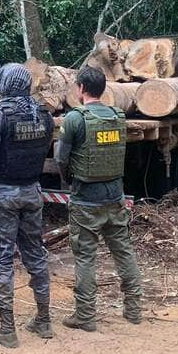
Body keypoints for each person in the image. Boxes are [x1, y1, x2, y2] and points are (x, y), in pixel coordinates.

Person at [0, 63, 55, 348]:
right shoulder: (44, 113)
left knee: (2, 259)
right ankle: (43, 321)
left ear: (6, 84)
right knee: (35, 255)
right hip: (32, 192)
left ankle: (7, 328)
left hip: (3, 195)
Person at [55, 66, 142, 331]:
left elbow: (61, 159)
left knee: (85, 257)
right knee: (123, 252)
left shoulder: (74, 119)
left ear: (81, 88)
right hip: (115, 197)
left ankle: (85, 316)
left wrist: (69, 180)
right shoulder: (117, 116)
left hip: (86, 200)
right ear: (103, 89)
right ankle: (134, 310)